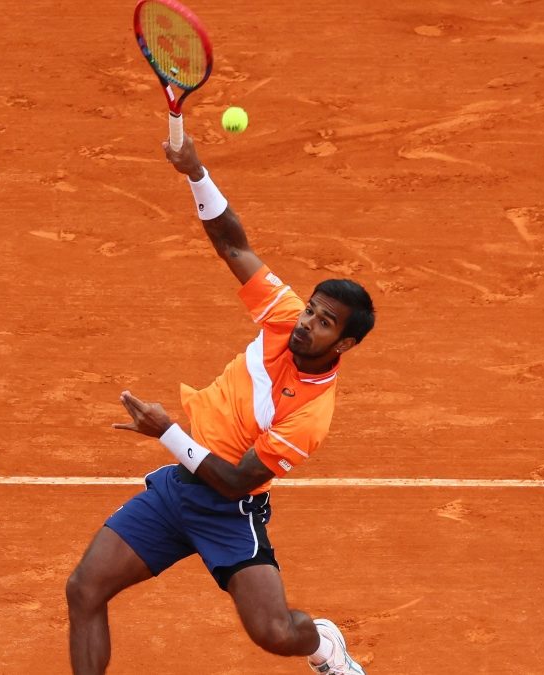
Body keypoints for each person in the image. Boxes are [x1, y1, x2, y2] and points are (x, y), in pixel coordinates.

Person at [65, 135, 375, 674]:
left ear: (344, 344)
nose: (307, 323)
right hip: (178, 491)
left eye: (324, 323)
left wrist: (166, 432)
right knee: (84, 588)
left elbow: (234, 481)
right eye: (312, 311)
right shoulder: (283, 315)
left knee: (275, 633)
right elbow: (231, 244)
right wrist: (196, 172)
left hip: (228, 510)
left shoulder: (311, 415)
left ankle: (322, 644)